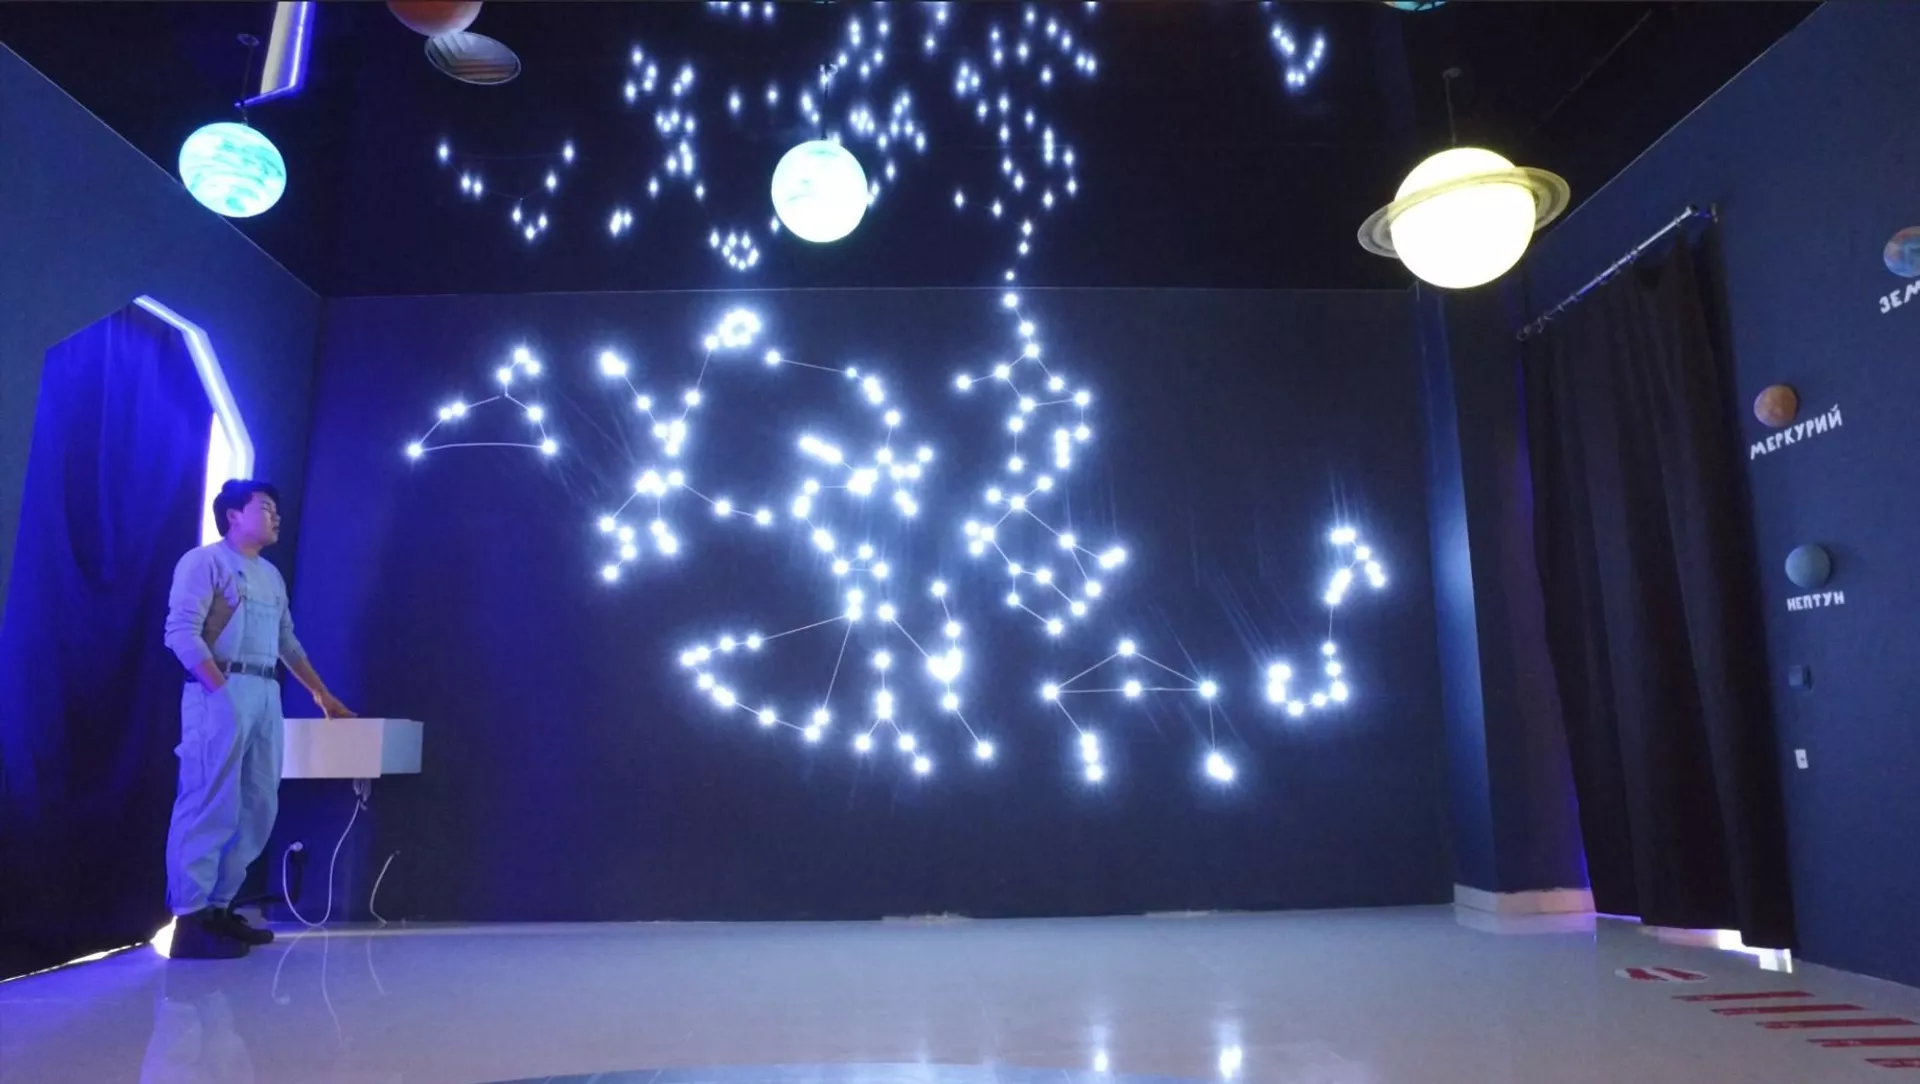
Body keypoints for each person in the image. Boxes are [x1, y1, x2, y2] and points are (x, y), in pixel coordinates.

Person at [161, 480, 353, 959]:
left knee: (257, 801)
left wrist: (321, 693)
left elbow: (287, 642)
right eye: (265, 508)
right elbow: (181, 632)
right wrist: (219, 691)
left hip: (266, 692)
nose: (276, 517)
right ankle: (190, 917)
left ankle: (220, 907)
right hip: (219, 688)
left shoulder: (270, 576)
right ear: (233, 515)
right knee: (209, 798)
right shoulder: (204, 562)